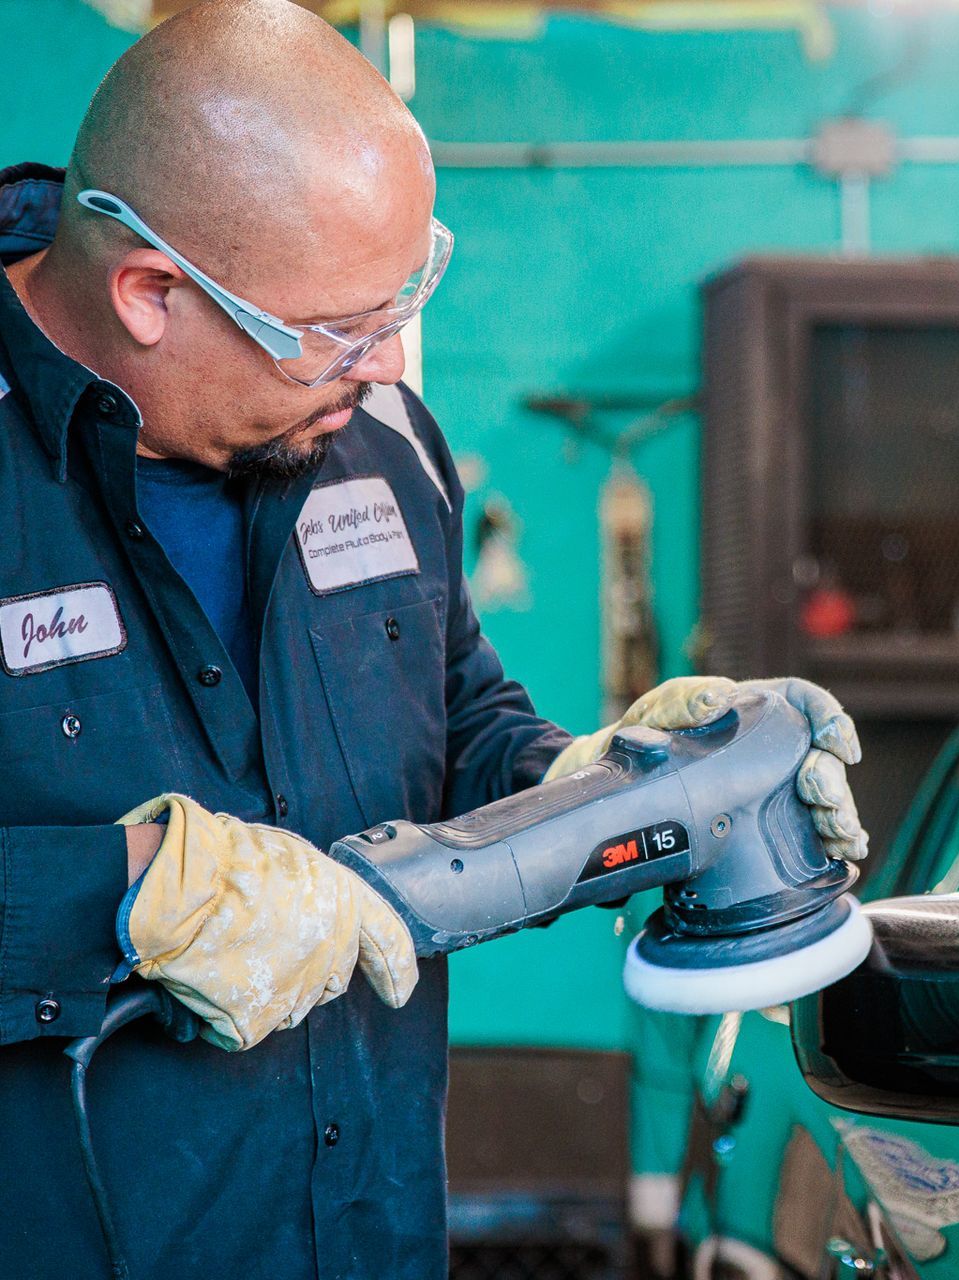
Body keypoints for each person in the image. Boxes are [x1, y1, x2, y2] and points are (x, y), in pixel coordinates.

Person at [0, 2, 866, 1275]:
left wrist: (592, 781)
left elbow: (451, 709)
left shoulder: (379, 432)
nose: (392, 359)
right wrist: (118, 896)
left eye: (410, 290)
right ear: (150, 294)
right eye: (341, 330)